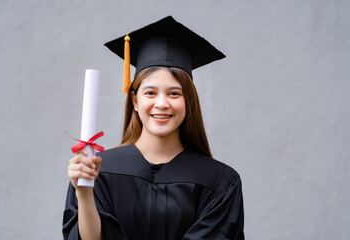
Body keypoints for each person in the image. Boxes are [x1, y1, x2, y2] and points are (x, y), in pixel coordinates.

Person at [63, 16, 244, 240]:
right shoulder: (97, 170)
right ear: (135, 101)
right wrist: (84, 193)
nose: (161, 103)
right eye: (150, 92)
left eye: (174, 93)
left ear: (189, 101)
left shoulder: (220, 181)